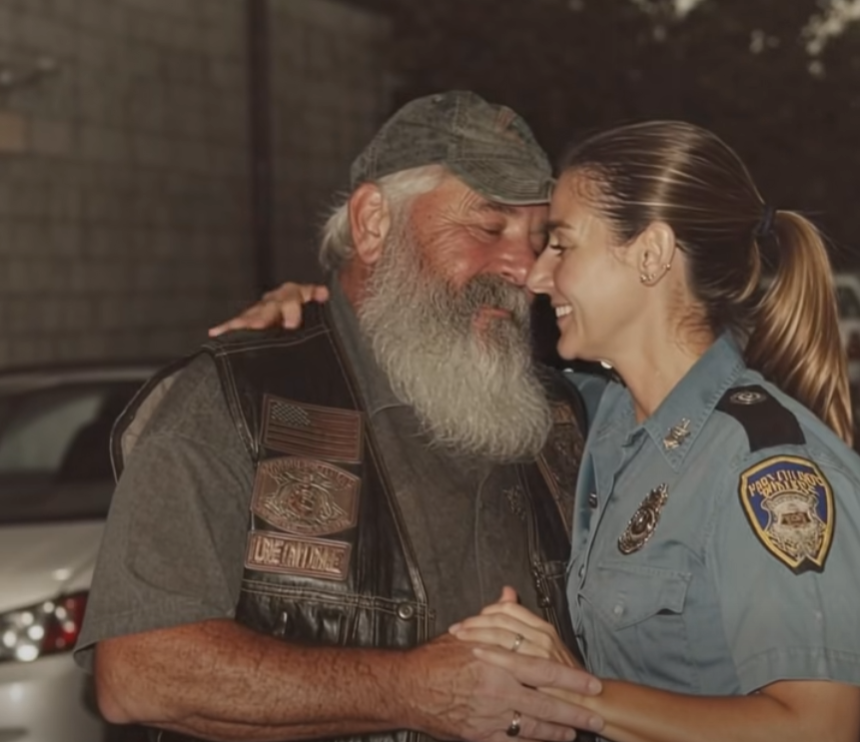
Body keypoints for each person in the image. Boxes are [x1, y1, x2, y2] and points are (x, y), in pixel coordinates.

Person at [227, 121, 860, 742]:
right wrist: (327, 318)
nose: (533, 276)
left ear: (651, 254)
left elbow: (821, 726)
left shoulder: (764, 467)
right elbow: (435, 366)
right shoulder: (593, 421)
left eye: (561, 244)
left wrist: (576, 693)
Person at [73, 90, 604, 742]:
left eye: (539, 238)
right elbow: (141, 671)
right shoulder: (234, 398)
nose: (524, 269)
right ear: (374, 223)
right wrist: (412, 691)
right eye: (488, 228)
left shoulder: (557, 415)